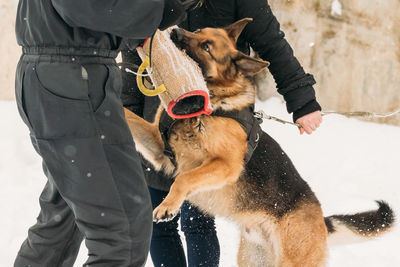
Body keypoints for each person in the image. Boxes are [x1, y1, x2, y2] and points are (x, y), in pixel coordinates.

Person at [121, 0, 323, 266]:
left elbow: (272, 41)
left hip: (221, 110)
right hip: (162, 107)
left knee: (197, 224)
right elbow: (133, 52)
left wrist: (303, 101)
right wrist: (121, 114)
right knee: (158, 224)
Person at [13, 0, 194, 266]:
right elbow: (85, 7)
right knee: (123, 231)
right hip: (73, 78)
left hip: (62, 74)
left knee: (62, 224)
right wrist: (157, 9)